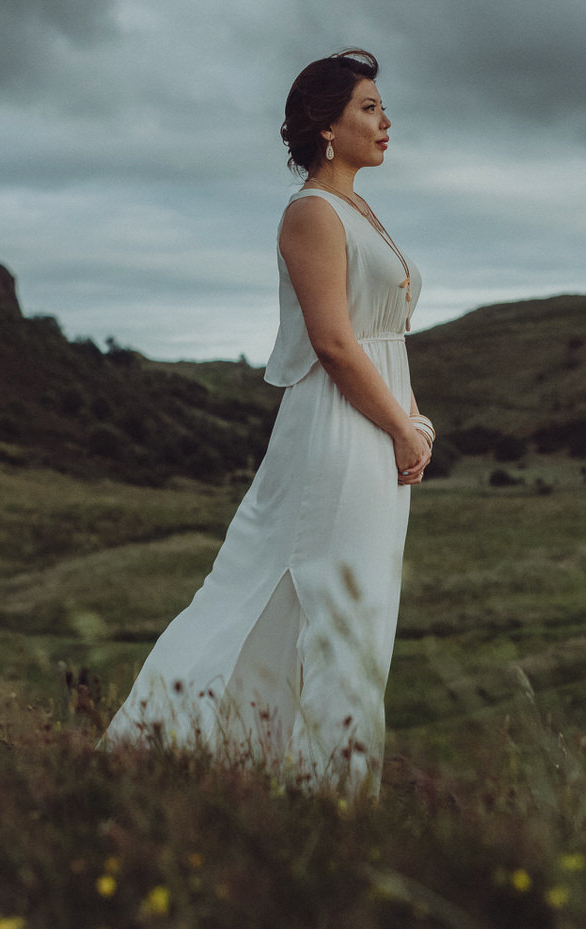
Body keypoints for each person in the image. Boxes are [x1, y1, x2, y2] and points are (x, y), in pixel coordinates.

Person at [103, 49, 432, 794]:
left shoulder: (358, 208)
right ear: (326, 124)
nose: (386, 121)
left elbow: (384, 339)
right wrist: (401, 429)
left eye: (382, 108)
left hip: (375, 428)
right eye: (368, 108)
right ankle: (311, 790)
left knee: (357, 614)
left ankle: (284, 779)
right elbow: (336, 345)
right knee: (317, 607)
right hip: (338, 435)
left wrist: (416, 422)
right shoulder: (311, 213)